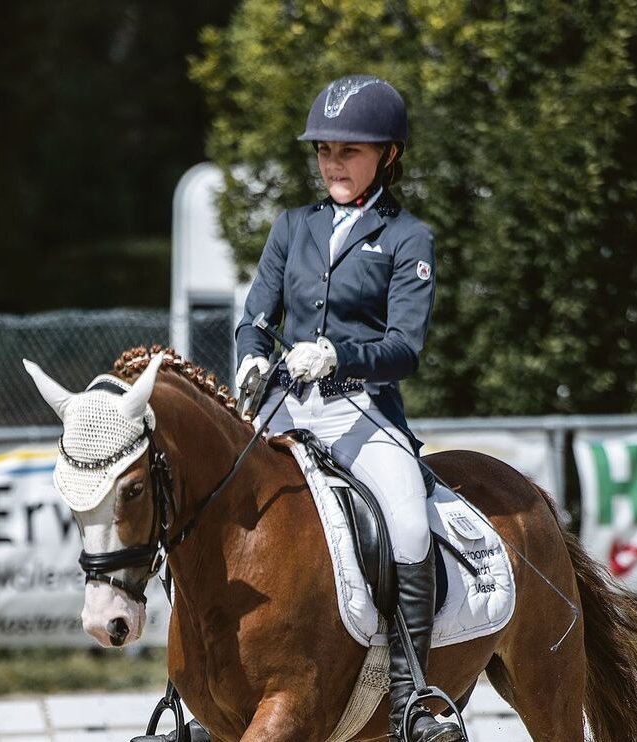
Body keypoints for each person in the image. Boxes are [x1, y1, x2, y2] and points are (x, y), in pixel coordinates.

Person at [234, 74, 462, 742]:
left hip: (359, 409)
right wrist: (250, 356)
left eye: (350, 151)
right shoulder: (291, 226)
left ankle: (413, 698)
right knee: (205, 500)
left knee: (408, 523)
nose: (334, 163)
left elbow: (403, 349)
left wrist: (337, 355)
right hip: (282, 406)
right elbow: (256, 316)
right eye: (325, 151)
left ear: (388, 155)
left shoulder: (406, 238)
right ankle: (193, 690)